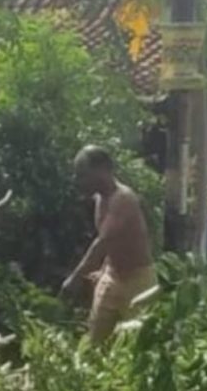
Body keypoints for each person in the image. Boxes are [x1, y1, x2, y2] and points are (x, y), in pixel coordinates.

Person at [63, 146, 157, 345]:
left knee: (137, 345)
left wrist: (74, 278)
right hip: (111, 277)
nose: (80, 182)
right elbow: (114, 241)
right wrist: (104, 269)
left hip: (138, 281)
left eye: (84, 175)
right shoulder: (99, 200)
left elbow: (102, 242)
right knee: (95, 342)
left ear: (102, 170)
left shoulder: (123, 199)